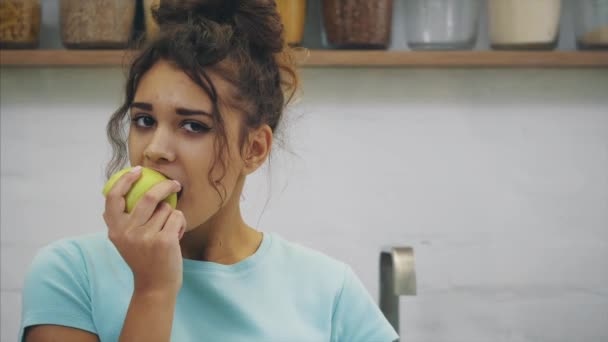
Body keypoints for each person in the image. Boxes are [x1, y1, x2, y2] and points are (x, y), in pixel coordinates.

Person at [18, 1, 399, 341]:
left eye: (193, 126)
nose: (154, 150)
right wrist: (153, 290)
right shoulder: (70, 274)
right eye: (144, 120)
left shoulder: (330, 291)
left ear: (254, 149)